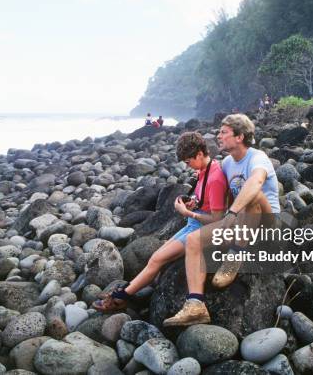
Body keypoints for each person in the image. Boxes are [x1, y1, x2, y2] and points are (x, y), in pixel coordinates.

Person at [163, 114, 280, 326]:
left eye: (224, 132)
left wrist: (232, 213)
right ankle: (196, 305)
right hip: (241, 223)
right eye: (219, 132)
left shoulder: (257, 157)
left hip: (266, 224)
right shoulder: (227, 163)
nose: (219, 136)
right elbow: (218, 192)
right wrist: (195, 205)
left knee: (252, 194)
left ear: (239, 137)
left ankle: (235, 256)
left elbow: (256, 182)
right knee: (193, 241)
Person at [93, 132, 228, 313]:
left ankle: (121, 297)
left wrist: (187, 212)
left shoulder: (216, 178)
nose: (188, 167)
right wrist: (189, 201)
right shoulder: (204, 170)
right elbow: (204, 201)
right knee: (156, 257)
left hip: (201, 230)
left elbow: (218, 219)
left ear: (200, 154)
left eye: (188, 162)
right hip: (191, 226)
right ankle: (125, 292)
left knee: (157, 259)